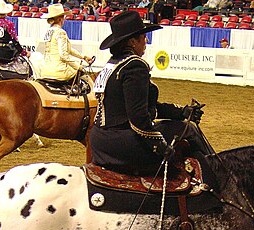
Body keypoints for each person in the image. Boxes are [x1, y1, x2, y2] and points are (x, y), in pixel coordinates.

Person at [89, 11, 209, 174]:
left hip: (100, 140)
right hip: (121, 142)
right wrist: (161, 147)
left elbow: (141, 107)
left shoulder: (113, 64)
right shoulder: (135, 65)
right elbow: (138, 119)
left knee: (178, 126)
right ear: (132, 41)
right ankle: (216, 172)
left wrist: (182, 112)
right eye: (143, 36)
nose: (146, 40)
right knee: (188, 130)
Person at [39, 4, 94, 81]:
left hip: (45, 69)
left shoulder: (49, 31)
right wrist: (78, 66)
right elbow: (63, 55)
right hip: (58, 70)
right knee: (82, 77)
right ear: (60, 19)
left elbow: (68, 49)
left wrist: (83, 57)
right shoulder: (61, 32)